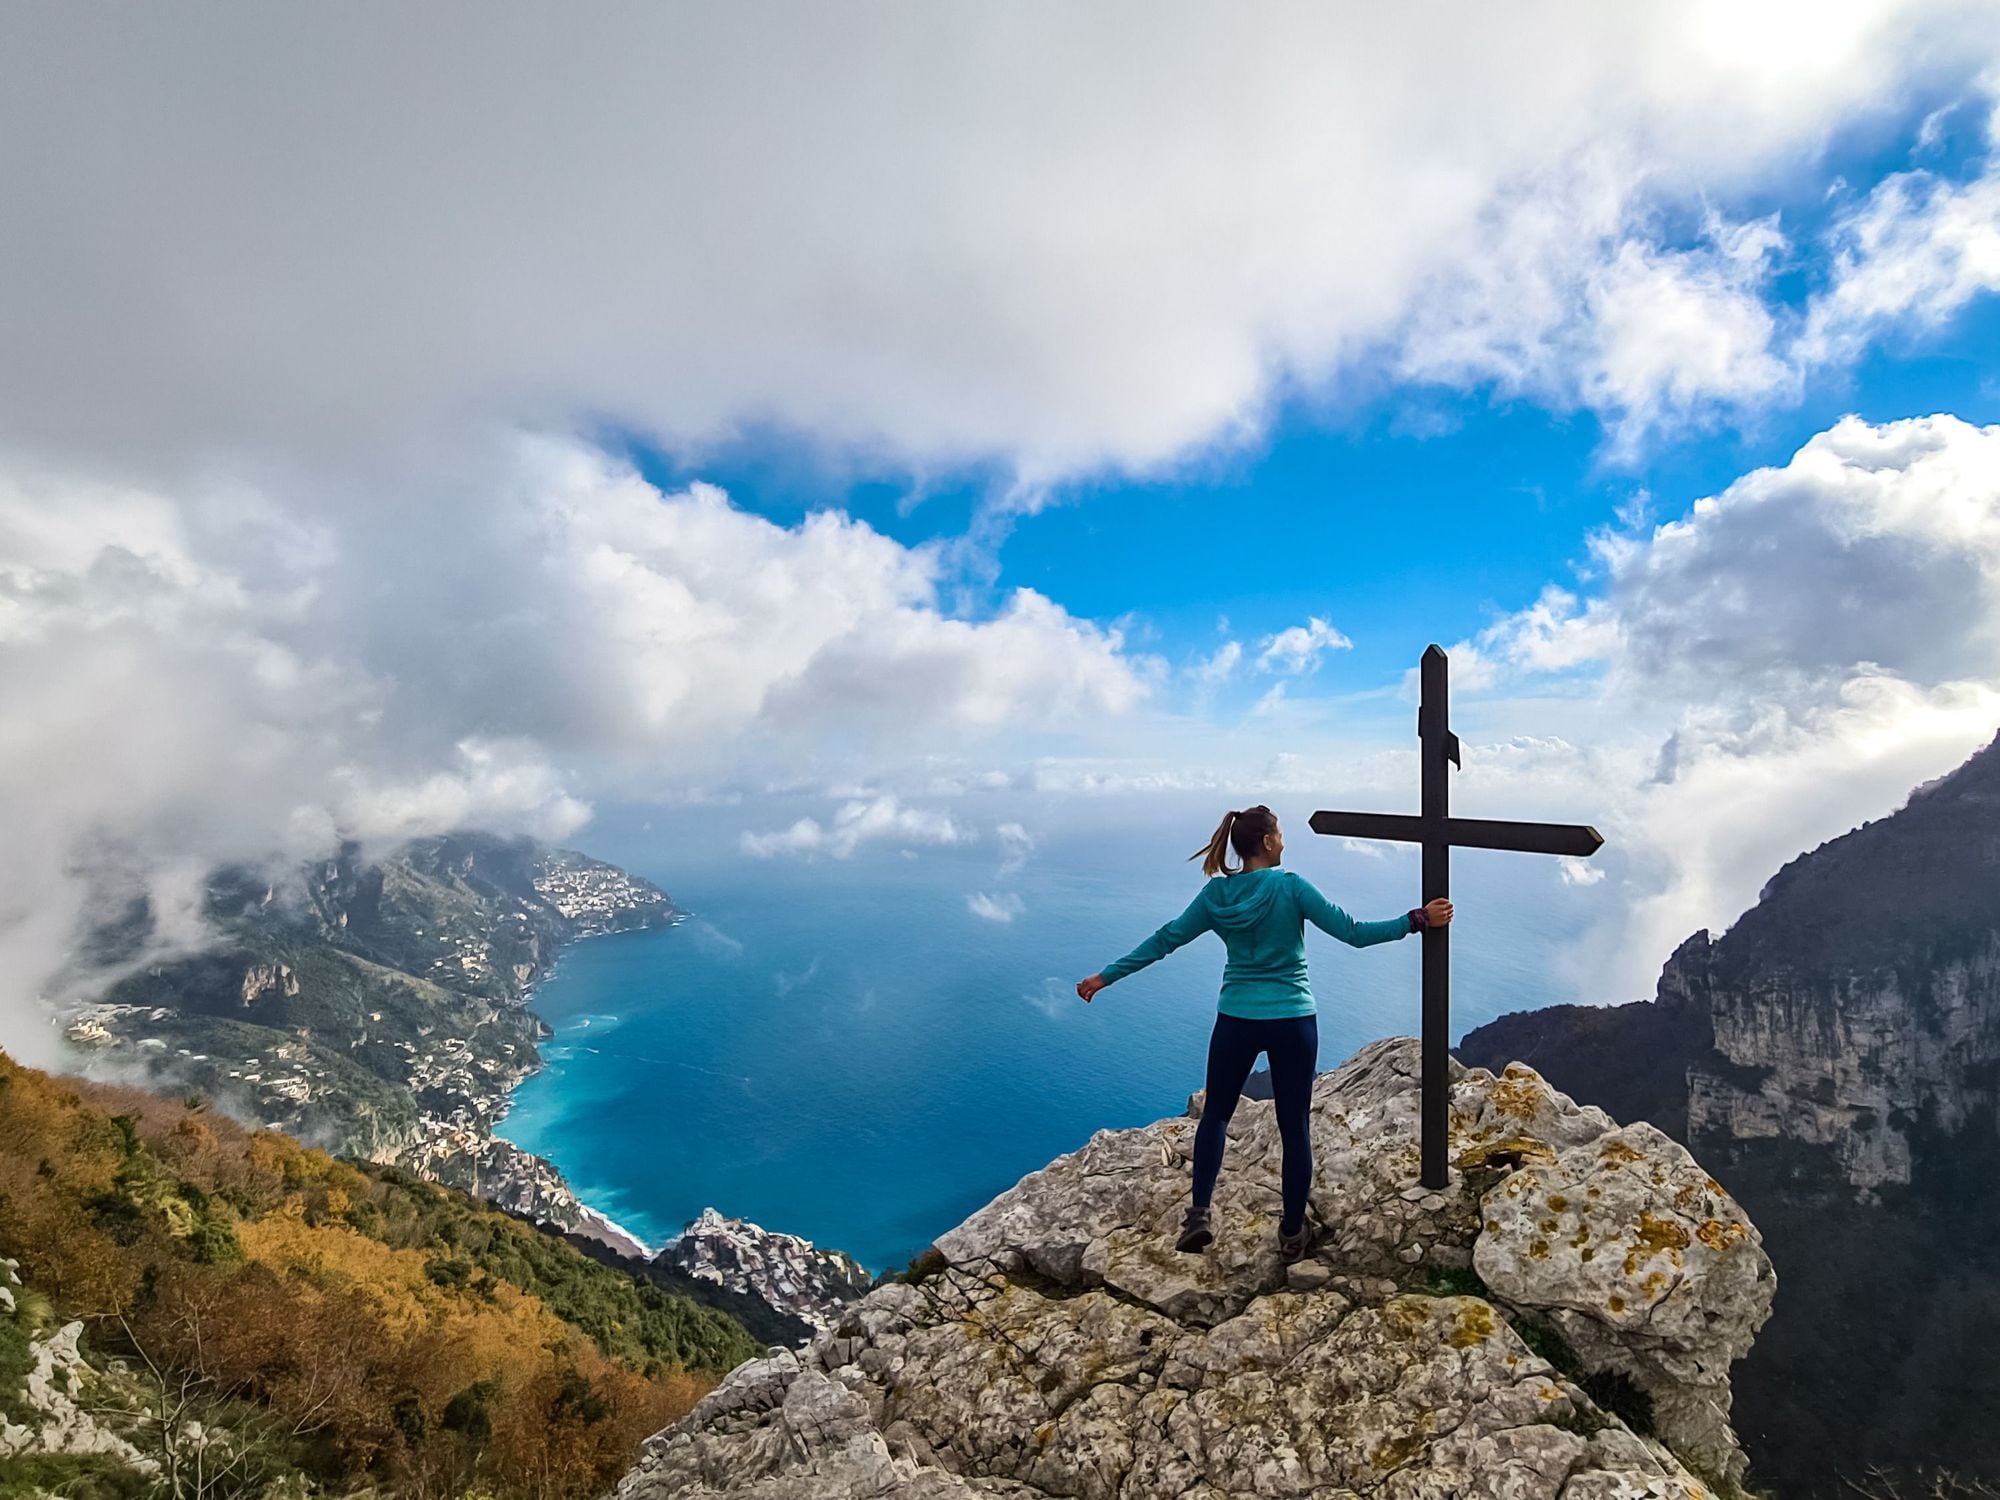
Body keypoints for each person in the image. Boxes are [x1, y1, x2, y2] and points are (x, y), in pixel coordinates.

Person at [1075, 805, 1452, 1263]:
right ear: (1269, 841)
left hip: (1236, 1018)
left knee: (1215, 1114)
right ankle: (1292, 1234)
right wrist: (1416, 920)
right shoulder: (1290, 887)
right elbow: (1353, 933)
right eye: (1282, 835)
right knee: (1294, 1128)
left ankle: (1199, 1215)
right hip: (1293, 1020)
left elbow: (1166, 939)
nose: (1285, 842)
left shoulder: (1216, 896)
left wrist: (1104, 977)